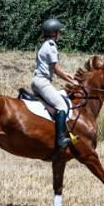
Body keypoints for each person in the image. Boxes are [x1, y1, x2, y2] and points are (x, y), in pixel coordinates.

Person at [31, 18, 81, 149]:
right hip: (42, 82)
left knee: (61, 98)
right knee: (62, 106)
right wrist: (72, 81)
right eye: (59, 32)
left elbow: (56, 68)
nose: (60, 34)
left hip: (39, 81)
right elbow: (57, 70)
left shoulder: (46, 44)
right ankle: (60, 139)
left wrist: (68, 74)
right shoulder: (51, 46)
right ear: (54, 33)